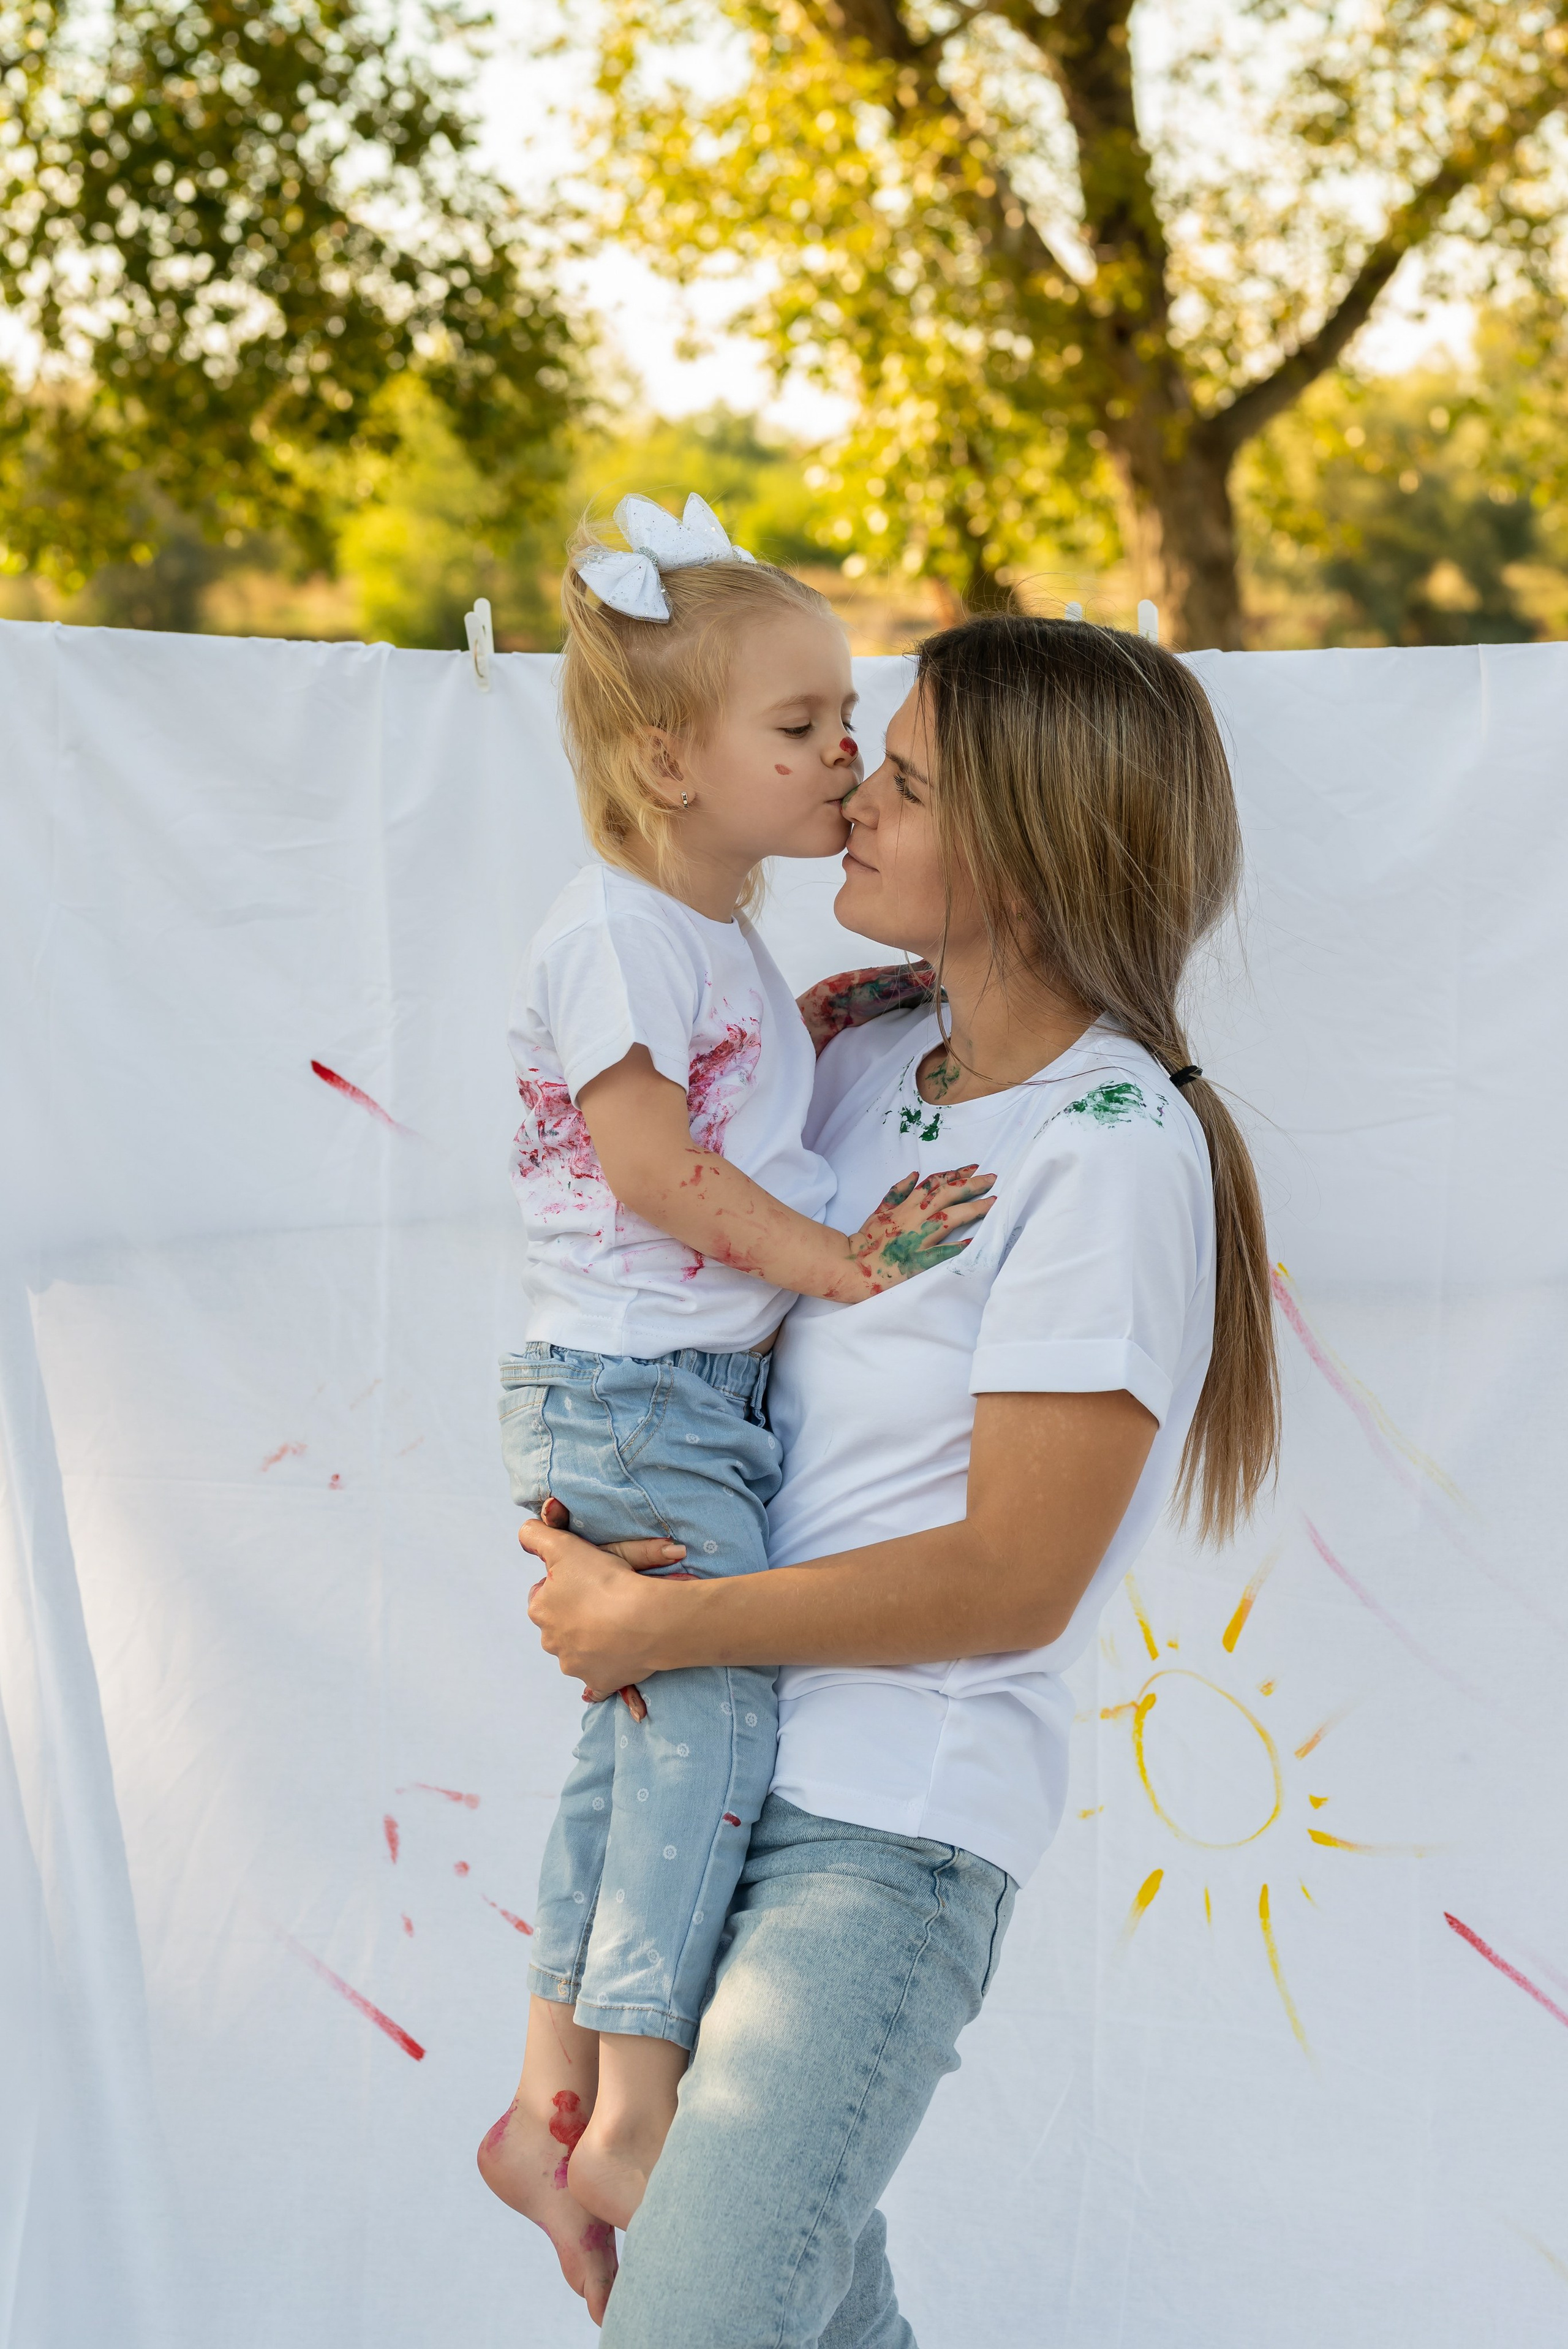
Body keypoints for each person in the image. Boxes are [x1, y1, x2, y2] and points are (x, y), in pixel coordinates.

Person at [522, 613, 1281, 2347]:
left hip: (886, 1836)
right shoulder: (858, 1057)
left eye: (912, 777)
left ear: (1022, 855)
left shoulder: (1110, 1153)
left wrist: (668, 1617)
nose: (854, 787)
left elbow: (1015, 1574)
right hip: (720, 1782)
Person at [477, 491, 997, 2321]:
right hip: (641, 1396)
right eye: (804, 731)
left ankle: (550, 2095)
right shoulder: (619, 931)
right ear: (664, 756)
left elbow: (737, 1095)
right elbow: (658, 1169)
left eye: (851, 727)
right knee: (702, 1736)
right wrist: (835, 1254)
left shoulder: (707, 933)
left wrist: (865, 998)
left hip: (665, 1395)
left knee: (640, 1738)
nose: (845, 759)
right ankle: (630, 2100)